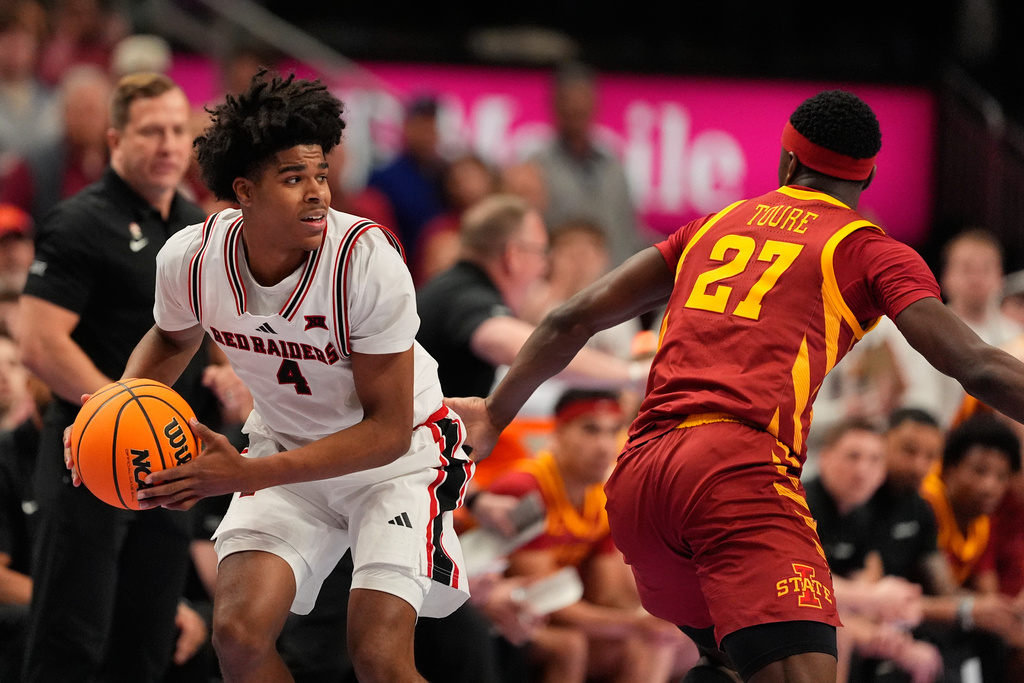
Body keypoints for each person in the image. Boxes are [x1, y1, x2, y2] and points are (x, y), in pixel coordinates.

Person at [447, 89, 1024, 682]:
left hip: (641, 479)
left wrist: (495, 411)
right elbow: (976, 364)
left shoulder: (712, 224)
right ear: (869, 174)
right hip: (735, 471)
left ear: (787, 161)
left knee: (726, 664)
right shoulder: (869, 249)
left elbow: (573, 316)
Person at [101, 70, 473, 683]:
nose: (317, 194)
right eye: (293, 178)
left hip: (398, 462)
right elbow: (172, 337)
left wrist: (245, 473)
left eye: (321, 175)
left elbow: (384, 432)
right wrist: (109, 409)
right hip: (286, 449)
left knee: (378, 659)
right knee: (238, 636)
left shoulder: (365, 261)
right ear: (243, 191)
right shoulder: (192, 260)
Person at [16, 71, 217, 683]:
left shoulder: (199, 227)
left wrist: (231, 373)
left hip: (173, 461)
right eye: (151, 130)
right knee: (72, 635)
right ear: (114, 140)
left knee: (147, 636)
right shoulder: (80, 221)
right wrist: (123, 409)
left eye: (178, 130)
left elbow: (209, 332)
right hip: (90, 455)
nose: (168, 144)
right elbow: (38, 343)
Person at [489, 388, 698, 683]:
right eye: (590, 430)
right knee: (573, 645)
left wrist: (659, 615)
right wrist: (633, 624)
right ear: (559, 432)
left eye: (612, 431)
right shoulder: (525, 489)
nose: (604, 446)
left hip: (556, 616)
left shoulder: (601, 497)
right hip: (497, 616)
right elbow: (545, 599)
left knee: (672, 641)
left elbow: (610, 593)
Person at [529, 61, 645, 267]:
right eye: (569, 100)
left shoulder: (614, 167)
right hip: (559, 288)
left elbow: (628, 232)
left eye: (582, 100)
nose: (576, 107)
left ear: (595, 103)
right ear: (554, 104)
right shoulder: (536, 167)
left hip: (616, 285)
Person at [366, 93, 446, 259]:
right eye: (421, 125)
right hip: (397, 266)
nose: (427, 133)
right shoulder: (384, 177)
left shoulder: (446, 176)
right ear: (406, 127)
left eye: (431, 125)